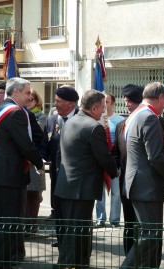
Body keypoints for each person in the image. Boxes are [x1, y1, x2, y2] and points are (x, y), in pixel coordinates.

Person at [53, 90, 117, 269]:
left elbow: (60, 155)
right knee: (77, 236)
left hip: (65, 187)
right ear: (94, 108)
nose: (104, 112)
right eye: (103, 108)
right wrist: (116, 173)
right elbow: (103, 157)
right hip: (81, 190)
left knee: (70, 234)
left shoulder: (70, 121)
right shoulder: (93, 126)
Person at [120, 82, 164, 269]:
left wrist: (163, 149)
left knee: (149, 235)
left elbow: (143, 150)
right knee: (150, 235)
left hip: (139, 183)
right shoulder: (149, 117)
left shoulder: (137, 115)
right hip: (146, 186)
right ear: (160, 97)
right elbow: (155, 158)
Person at [0, 77, 43, 269]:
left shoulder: (0, 109)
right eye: (27, 92)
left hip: (2, 175)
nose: (29, 96)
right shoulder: (14, 112)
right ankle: (3, 260)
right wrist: (39, 163)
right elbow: (25, 144)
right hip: (9, 177)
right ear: (16, 92)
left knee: (4, 220)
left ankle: (10, 256)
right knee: (8, 220)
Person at [40, 86, 79, 248]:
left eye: (58, 101)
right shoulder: (52, 119)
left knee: (74, 211)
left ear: (70, 103)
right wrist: (41, 159)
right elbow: (45, 144)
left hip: (76, 176)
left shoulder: (81, 118)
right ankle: (61, 237)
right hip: (56, 174)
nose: (55, 104)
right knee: (58, 208)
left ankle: (73, 242)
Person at [113, 83, 145, 255]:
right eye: (125, 100)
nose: (127, 104)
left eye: (131, 100)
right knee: (129, 224)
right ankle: (129, 257)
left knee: (145, 226)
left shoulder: (159, 122)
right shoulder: (121, 125)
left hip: (146, 185)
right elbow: (116, 154)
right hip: (126, 183)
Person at [95, 93, 124, 228]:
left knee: (116, 192)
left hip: (114, 162)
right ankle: (100, 218)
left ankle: (115, 219)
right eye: (102, 102)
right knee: (99, 192)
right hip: (99, 162)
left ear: (112, 104)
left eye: (106, 102)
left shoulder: (120, 121)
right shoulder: (97, 120)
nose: (104, 105)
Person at [25, 89, 47, 234]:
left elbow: (36, 135)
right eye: (27, 98)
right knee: (25, 195)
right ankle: (26, 224)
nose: (28, 101)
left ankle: (32, 225)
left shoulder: (40, 116)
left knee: (35, 195)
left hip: (35, 160)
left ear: (36, 100)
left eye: (31, 99)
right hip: (24, 161)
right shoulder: (21, 114)